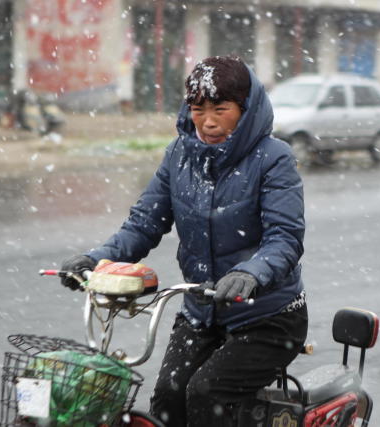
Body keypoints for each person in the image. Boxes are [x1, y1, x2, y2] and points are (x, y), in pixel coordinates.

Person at [60, 56, 308, 426]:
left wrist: (252, 273)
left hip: (268, 317)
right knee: (168, 400)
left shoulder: (274, 159)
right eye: (198, 109)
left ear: (246, 109)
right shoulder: (179, 155)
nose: (207, 121)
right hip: (202, 312)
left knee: (207, 393)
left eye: (221, 109)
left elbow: (284, 238)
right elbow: (143, 224)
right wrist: (96, 259)